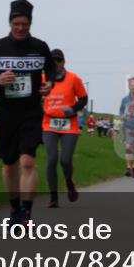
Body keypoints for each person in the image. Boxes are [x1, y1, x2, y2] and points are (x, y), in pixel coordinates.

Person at [0, 0, 54, 227]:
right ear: (10, 23)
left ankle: (27, 213)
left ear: (30, 24)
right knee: (10, 163)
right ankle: (14, 207)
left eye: (25, 24)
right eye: (16, 24)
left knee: (28, 162)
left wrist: (49, 82)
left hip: (31, 111)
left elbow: (50, 68)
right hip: (5, 112)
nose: (20, 28)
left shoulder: (40, 47)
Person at [41, 49, 88, 207]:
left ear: (63, 62)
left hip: (69, 124)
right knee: (52, 159)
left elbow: (83, 98)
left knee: (65, 160)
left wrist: (73, 109)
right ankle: (53, 197)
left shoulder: (73, 78)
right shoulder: (43, 78)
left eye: (58, 61)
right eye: (52, 61)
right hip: (50, 123)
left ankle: (69, 182)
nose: (56, 64)